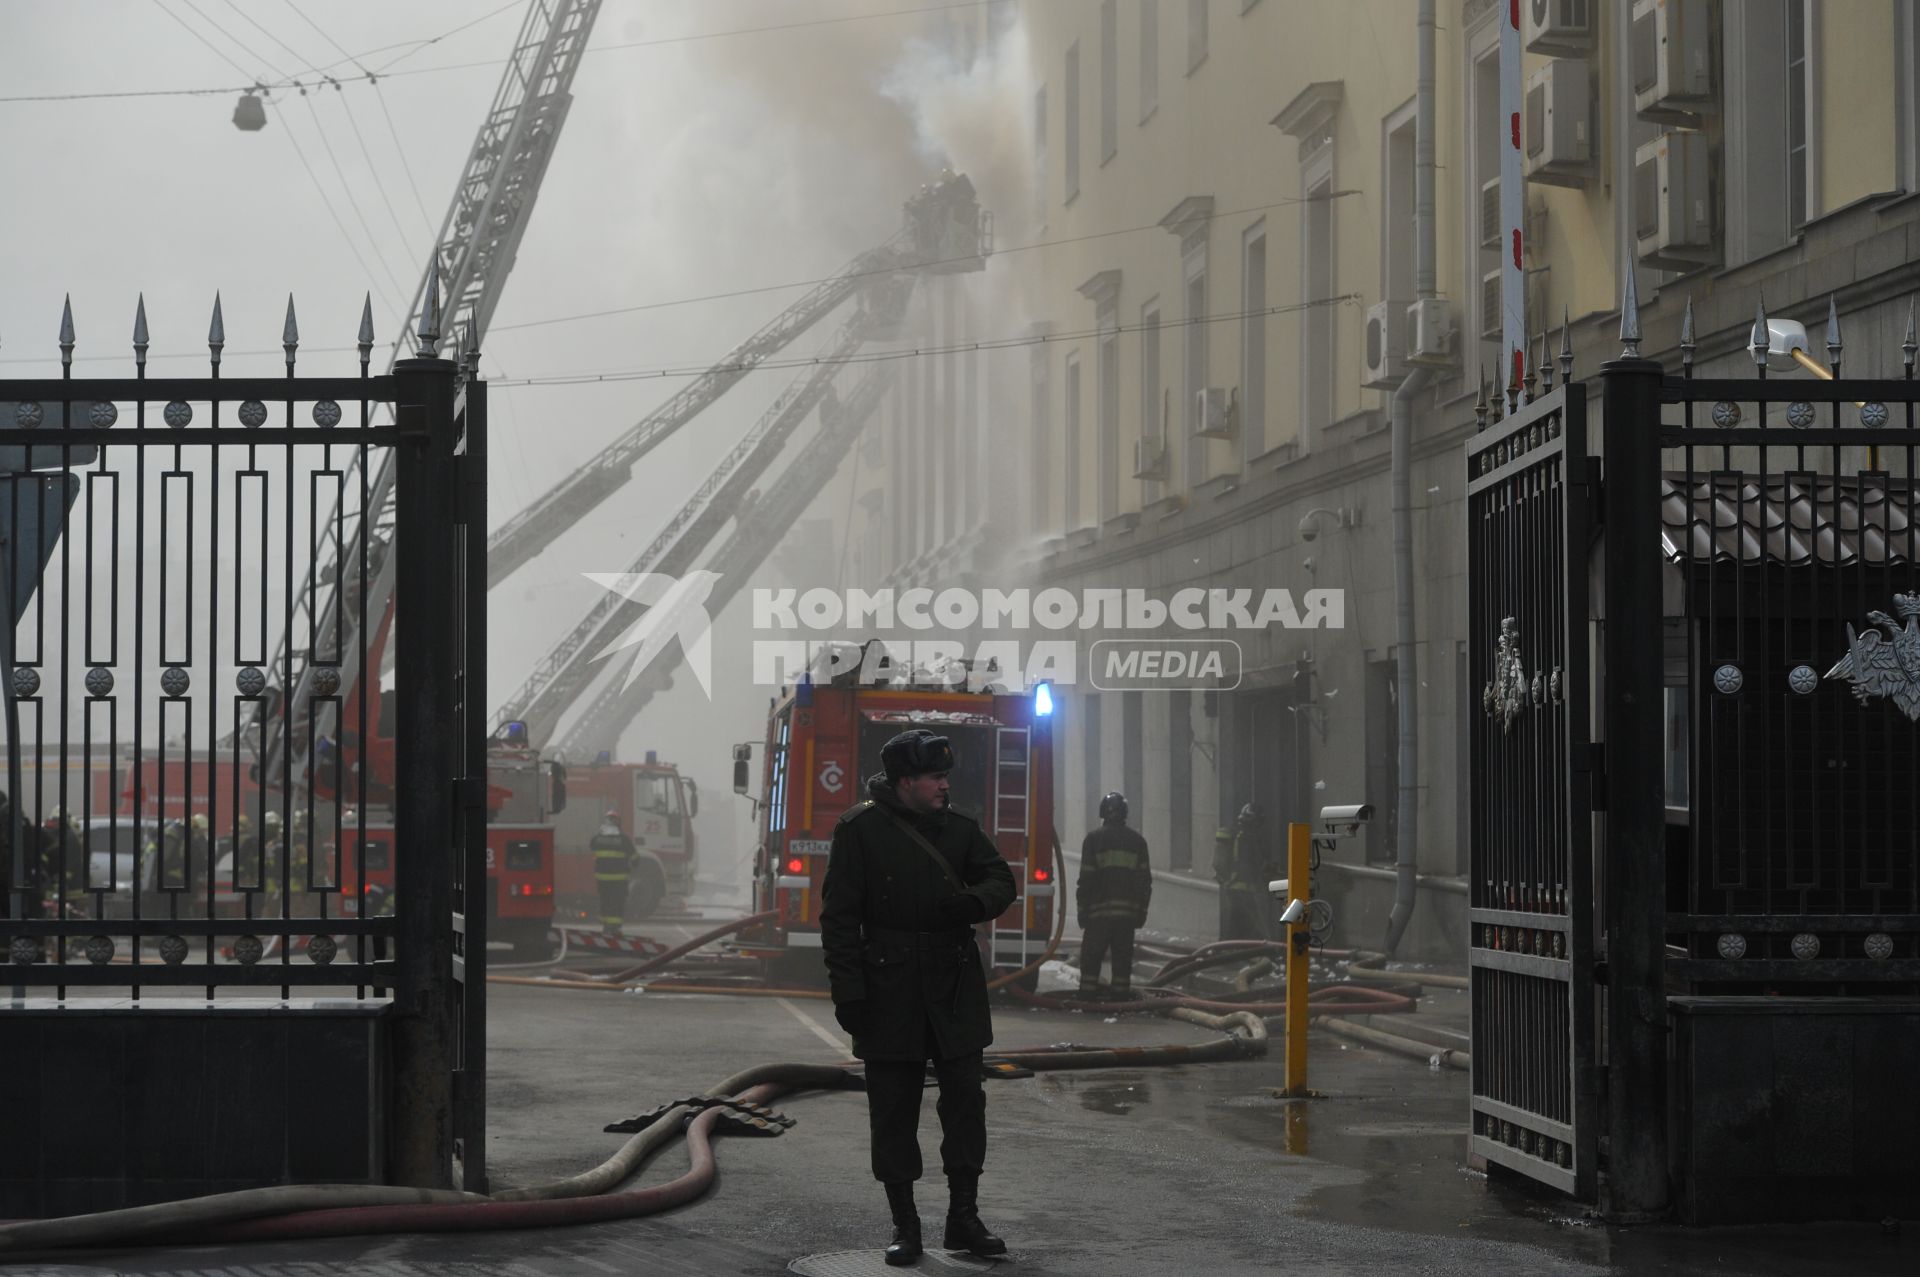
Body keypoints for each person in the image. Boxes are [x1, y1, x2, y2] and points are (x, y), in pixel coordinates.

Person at [820, 728, 1015, 1265]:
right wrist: (849, 994)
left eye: (945, 777)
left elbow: (1001, 880)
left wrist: (974, 903)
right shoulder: (859, 831)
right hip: (889, 993)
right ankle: (905, 1225)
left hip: (954, 991)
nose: (944, 786)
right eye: (935, 777)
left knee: (965, 1108)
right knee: (893, 1113)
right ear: (906, 782)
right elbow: (839, 921)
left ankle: (963, 1218)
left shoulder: (960, 830)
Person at [1076, 791, 1152, 998]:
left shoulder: (1093, 840)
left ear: (1103, 813)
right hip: (1126, 917)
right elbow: (1145, 882)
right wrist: (1141, 912)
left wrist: (1082, 911)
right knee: (1122, 959)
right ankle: (1120, 999)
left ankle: (1087, 998)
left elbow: (1086, 880)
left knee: (1091, 958)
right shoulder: (1138, 842)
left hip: (1098, 916)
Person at [1214, 802, 1279, 941]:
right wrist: (1270, 870)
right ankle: (1259, 952)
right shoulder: (1247, 839)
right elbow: (1253, 864)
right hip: (1246, 891)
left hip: (1235, 889)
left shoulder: (1239, 835)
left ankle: (1232, 952)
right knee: (1254, 927)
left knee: (1238, 926)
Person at [589, 811, 636, 936]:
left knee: (605, 901)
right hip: (619, 879)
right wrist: (633, 865)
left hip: (602, 879)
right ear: (618, 823)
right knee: (617, 902)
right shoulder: (624, 839)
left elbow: (592, 847)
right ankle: (615, 928)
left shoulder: (597, 838)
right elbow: (635, 857)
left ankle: (606, 926)